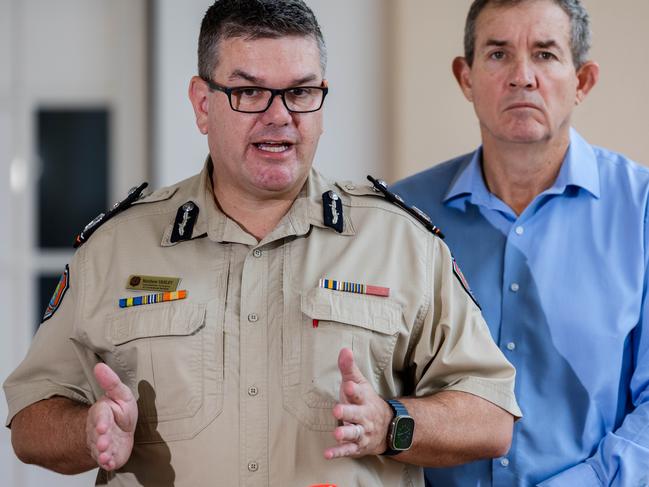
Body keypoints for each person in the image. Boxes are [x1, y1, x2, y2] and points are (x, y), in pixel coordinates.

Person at [3, 1, 521, 486]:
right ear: (203, 104)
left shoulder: (402, 243)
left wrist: (393, 424)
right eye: (249, 92)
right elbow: (30, 419)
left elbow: (491, 416)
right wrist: (86, 431)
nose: (279, 116)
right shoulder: (115, 248)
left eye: (300, 92)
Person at [393, 0, 649, 485]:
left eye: (546, 54)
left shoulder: (641, 210)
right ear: (465, 77)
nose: (522, 76)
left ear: (584, 81)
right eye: (498, 54)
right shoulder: (403, 214)